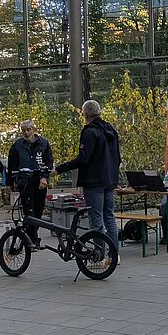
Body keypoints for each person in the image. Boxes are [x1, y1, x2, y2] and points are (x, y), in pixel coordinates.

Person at [52, 100, 121, 252]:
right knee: (109, 216)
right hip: (110, 180)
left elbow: (84, 158)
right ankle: (114, 253)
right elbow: (118, 157)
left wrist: (60, 169)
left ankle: (99, 252)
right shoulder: (110, 129)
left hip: (94, 181)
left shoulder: (89, 132)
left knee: (96, 218)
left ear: (86, 114)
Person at [5, 120, 53, 247]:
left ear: (33, 130)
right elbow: (12, 165)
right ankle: (31, 239)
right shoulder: (17, 145)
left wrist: (45, 177)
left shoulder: (43, 143)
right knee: (29, 211)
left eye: (28, 130)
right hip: (25, 182)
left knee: (38, 210)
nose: (26, 133)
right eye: (23, 131)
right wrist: (9, 184)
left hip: (40, 182)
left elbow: (49, 162)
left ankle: (32, 236)